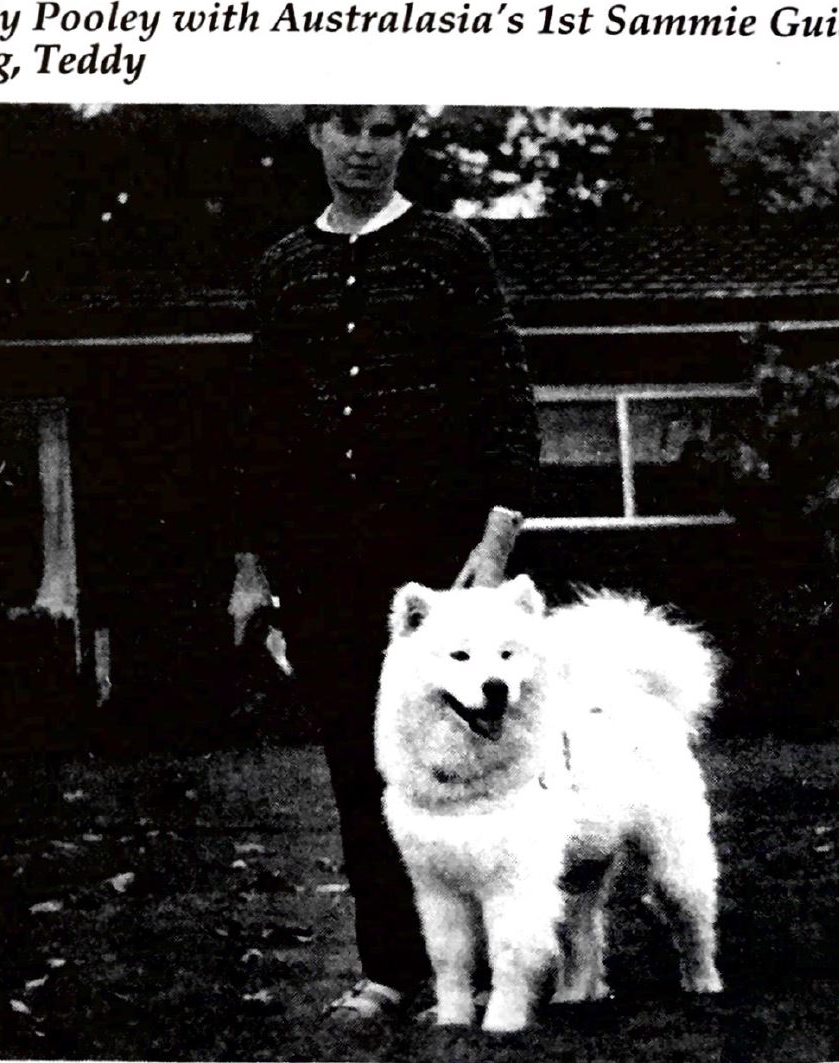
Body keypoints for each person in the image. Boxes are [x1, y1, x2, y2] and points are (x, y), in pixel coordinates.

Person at [235, 104, 539, 1021]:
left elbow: (505, 398)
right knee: (366, 767)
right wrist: (253, 568)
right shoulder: (281, 267)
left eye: (382, 129)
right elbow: (263, 427)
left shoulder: (451, 251)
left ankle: (499, 964)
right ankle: (390, 972)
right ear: (315, 138)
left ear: (404, 140)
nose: (364, 147)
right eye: (346, 128)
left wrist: (491, 551)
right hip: (322, 562)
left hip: (437, 563)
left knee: (482, 768)